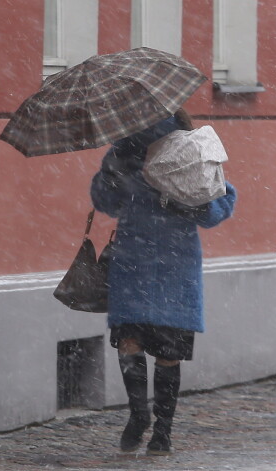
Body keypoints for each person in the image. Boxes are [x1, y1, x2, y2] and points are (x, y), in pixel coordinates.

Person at [90, 109, 237, 456]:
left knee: (130, 340)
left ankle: (139, 415)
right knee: (169, 352)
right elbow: (219, 204)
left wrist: (114, 172)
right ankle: (163, 434)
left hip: (134, 257)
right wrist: (185, 205)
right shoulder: (189, 146)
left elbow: (104, 202)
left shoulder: (123, 149)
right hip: (176, 261)